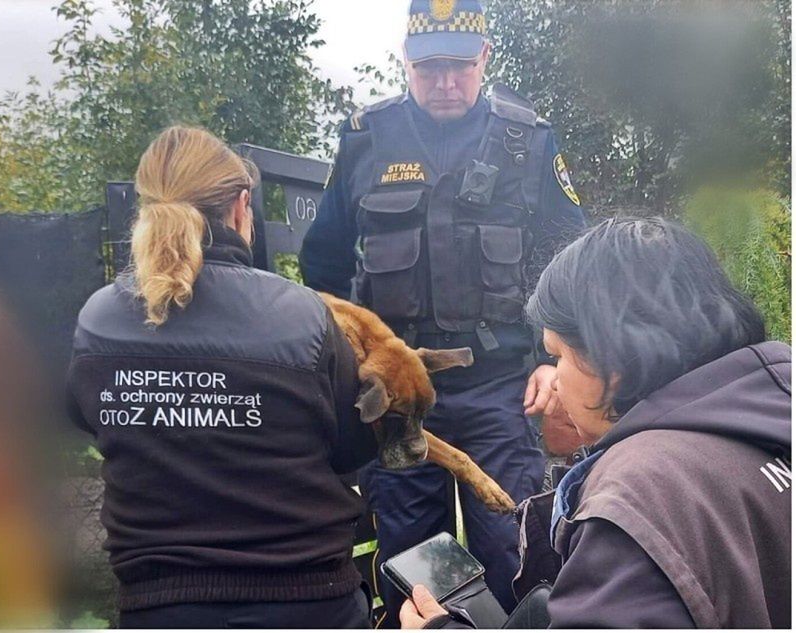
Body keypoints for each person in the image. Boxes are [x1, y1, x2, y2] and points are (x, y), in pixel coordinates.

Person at [299, 0, 585, 623]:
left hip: (503, 391)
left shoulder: (527, 140)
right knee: (409, 563)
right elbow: (320, 266)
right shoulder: (365, 138)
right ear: (406, 60)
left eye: (459, 65)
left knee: (515, 554)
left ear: (485, 57)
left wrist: (551, 360)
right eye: (430, 68)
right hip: (398, 401)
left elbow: (571, 257)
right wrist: (355, 362)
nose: (446, 82)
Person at [399, 217, 791, 629]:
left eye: (558, 356)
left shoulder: (637, 496)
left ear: (615, 356)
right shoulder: (772, 419)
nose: (555, 377)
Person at [65, 126, 378, 628]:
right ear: (241, 204)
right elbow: (355, 444)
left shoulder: (99, 319)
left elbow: (85, 419)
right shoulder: (302, 314)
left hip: (160, 609)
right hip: (309, 601)